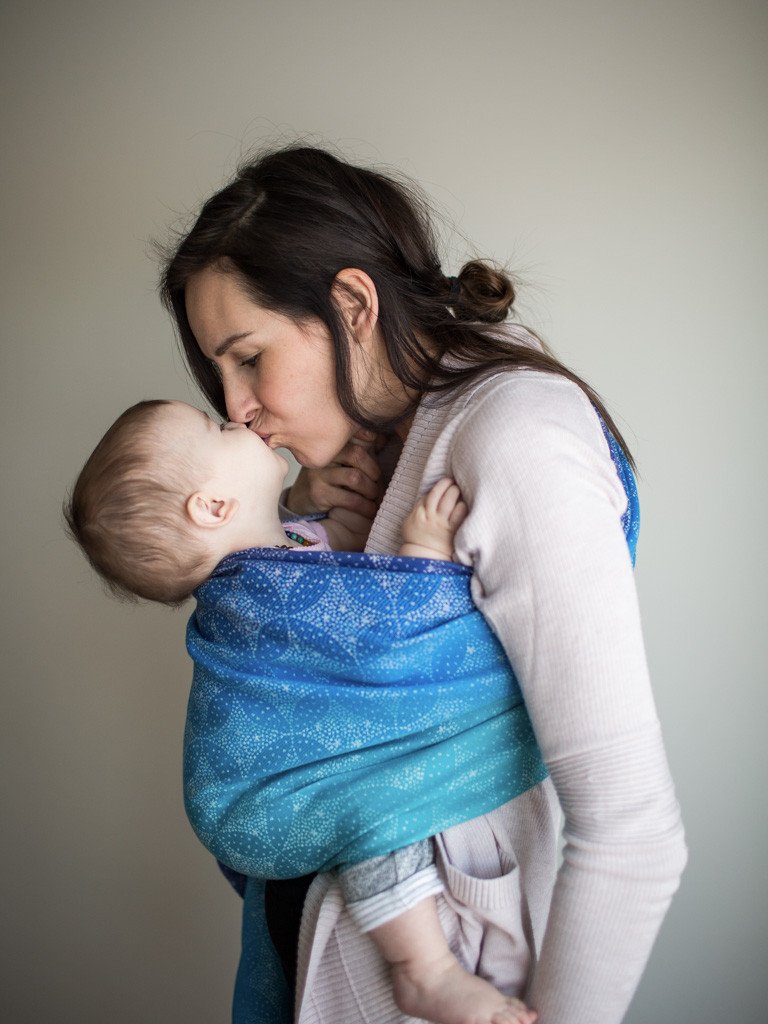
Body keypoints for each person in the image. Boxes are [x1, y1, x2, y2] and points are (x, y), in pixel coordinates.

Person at [158, 145, 687, 1024]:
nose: (235, 406)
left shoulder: (515, 440)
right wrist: (293, 511)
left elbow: (631, 830)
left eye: (247, 358)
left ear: (354, 306)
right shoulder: (386, 438)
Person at [64, 398, 537, 1024]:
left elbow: (349, 559)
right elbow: (378, 631)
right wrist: (423, 555)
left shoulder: (288, 543)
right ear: (211, 507)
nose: (235, 417)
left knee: (369, 808)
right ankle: (423, 972)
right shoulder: (256, 599)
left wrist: (332, 495)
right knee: (374, 815)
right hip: (263, 796)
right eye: (216, 429)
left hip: (297, 777)